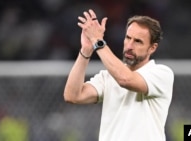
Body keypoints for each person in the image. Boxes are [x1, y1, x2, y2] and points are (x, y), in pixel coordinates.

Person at [63, 9, 174, 141]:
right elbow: (72, 96)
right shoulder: (108, 76)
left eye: (138, 41)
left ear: (152, 48)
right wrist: (86, 50)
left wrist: (97, 40)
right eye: (128, 38)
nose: (130, 45)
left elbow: (125, 79)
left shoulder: (161, 73)